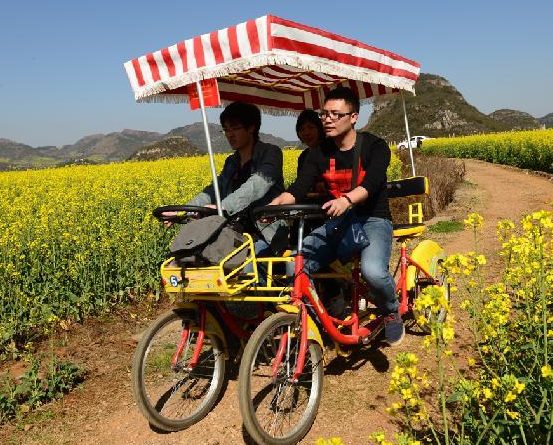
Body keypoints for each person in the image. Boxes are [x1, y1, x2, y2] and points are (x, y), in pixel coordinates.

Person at [268, 87, 403, 345]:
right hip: (340, 222)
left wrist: (347, 199)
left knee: (373, 272)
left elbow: (372, 183)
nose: (327, 120)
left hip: (373, 219)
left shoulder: (374, 146)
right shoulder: (318, 152)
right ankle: (315, 320)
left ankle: (390, 310)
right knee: (294, 265)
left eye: (335, 114)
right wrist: (276, 205)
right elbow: (299, 187)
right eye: (324, 114)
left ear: (353, 117)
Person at [172, 101, 287, 256]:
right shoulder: (231, 162)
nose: (229, 134)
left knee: (244, 264)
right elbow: (214, 190)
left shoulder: (271, 153)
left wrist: (224, 207)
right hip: (232, 233)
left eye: (235, 128)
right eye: (226, 129)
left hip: (265, 234)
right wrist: (183, 210)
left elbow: (257, 185)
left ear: (251, 128)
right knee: (190, 258)